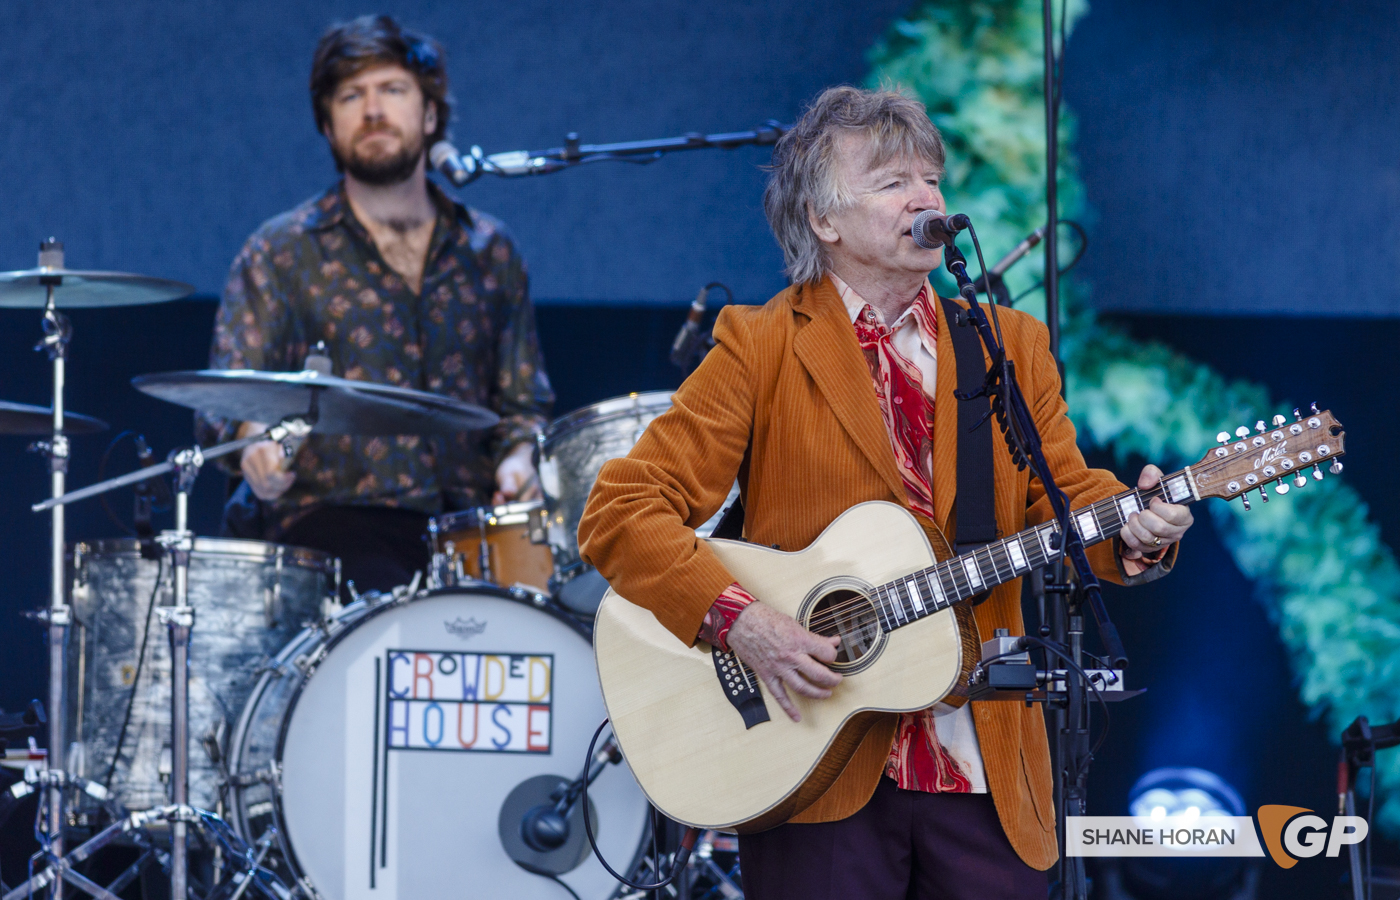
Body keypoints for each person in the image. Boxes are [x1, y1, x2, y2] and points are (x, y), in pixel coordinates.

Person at [577, 86, 1194, 899]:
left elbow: (1063, 497)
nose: (927, 198)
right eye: (893, 180)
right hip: (815, 766)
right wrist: (744, 622)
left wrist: (1140, 533)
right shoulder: (759, 345)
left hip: (985, 763)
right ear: (823, 221)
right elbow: (620, 511)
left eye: (932, 178)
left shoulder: (1010, 346)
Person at [197, 15, 554, 594]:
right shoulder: (281, 251)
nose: (372, 111)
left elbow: (522, 405)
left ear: (431, 114)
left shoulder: (491, 250)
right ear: (328, 125)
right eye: (350, 95)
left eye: (392, 90)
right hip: (328, 529)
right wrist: (258, 443)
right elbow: (231, 398)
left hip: (467, 531)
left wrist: (520, 460)